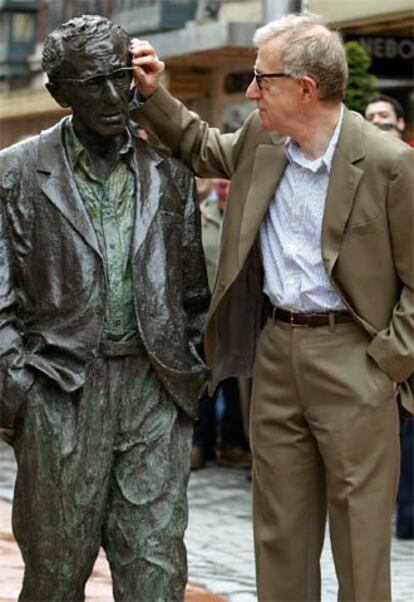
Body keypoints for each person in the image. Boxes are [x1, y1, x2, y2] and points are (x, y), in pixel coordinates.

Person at [130, 12, 414, 601]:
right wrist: (153, 93)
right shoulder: (263, 141)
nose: (252, 90)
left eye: (262, 79)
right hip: (275, 352)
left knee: (360, 539)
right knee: (280, 532)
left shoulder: (389, 164)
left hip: (355, 357)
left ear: (304, 87)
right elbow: (199, 145)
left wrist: (386, 363)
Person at [0, 15, 209, 601]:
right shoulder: (14, 173)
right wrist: (22, 394)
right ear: (60, 92)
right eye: (94, 83)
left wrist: (185, 377)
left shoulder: (168, 172)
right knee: (56, 573)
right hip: (61, 388)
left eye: (121, 78)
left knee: (156, 570)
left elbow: (192, 293)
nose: (115, 97)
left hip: (152, 389)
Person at [364, 95, 414, 541]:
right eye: (370, 118)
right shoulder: (359, 176)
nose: (378, 124)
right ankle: (407, 515)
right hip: (390, 328)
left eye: (385, 118)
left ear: (401, 124)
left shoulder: (405, 170)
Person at [192, 178, 251, 469]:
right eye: (221, 185)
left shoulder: (246, 214)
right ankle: (200, 444)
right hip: (205, 314)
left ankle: (233, 444)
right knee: (204, 381)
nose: (225, 190)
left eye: (230, 184)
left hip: (238, 313)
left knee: (234, 382)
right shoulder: (201, 215)